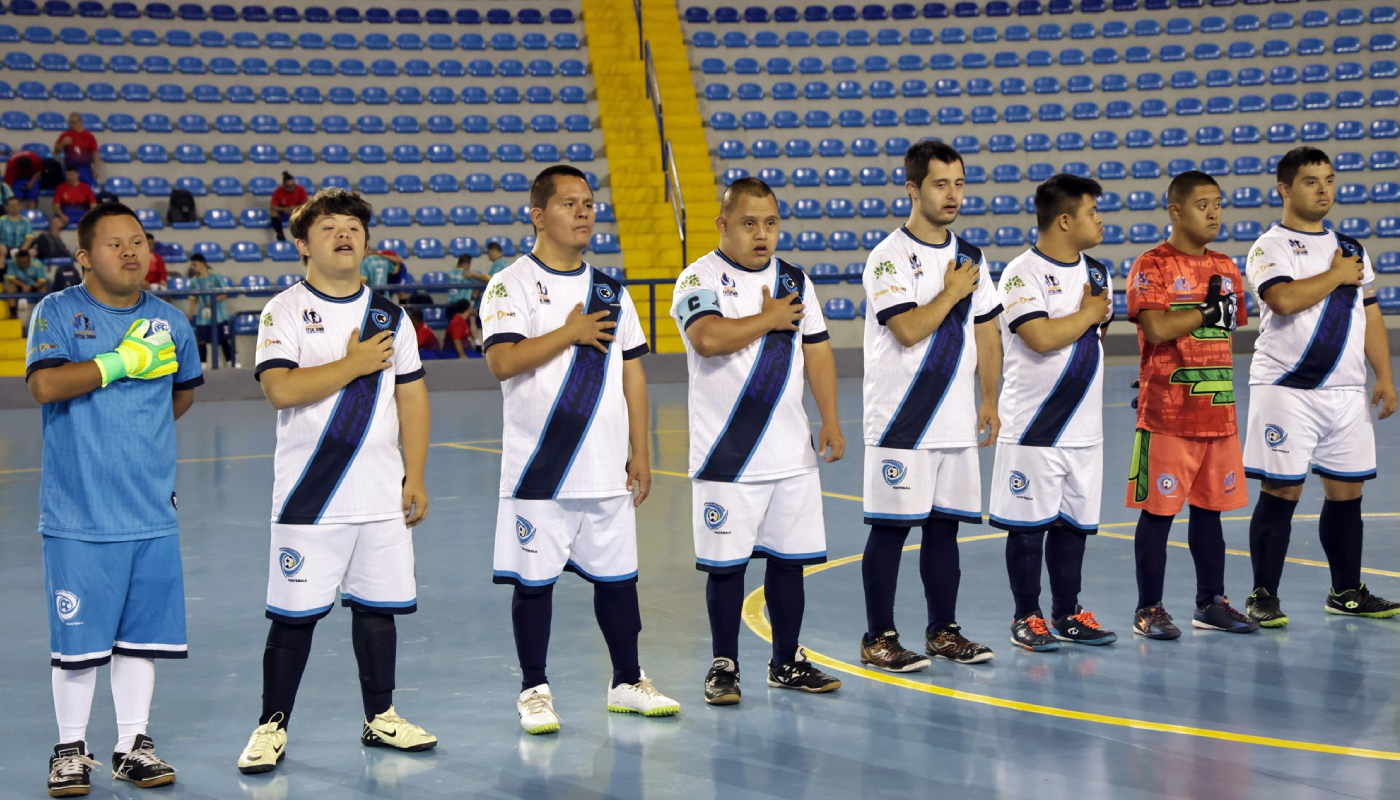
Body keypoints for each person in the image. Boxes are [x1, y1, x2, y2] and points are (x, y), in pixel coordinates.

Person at [237, 188, 437, 774]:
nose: (345, 235)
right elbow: (280, 389)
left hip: (380, 494)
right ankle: (271, 726)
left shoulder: (391, 316)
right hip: (311, 495)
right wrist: (353, 362)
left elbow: (413, 399)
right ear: (302, 244)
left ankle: (382, 717)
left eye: (353, 226)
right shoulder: (284, 310)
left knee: (377, 610)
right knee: (294, 616)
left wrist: (415, 474)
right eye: (329, 228)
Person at [483, 165, 678, 735]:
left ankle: (626, 680)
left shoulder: (612, 291)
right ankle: (534, 690)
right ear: (539, 216)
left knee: (619, 580)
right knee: (534, 583)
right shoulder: (509, 284)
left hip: (603, 469)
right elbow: (502, 361)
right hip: (540, 468)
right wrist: (568, 333)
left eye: (589, 203)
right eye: (570, 204)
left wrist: (641, 451)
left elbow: (633, 375)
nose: (585, 212)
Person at [25, 202, 203, 795]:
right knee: (78, 645)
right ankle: (70, 748)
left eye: (139, 241)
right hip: (79, 513)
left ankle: (132, 744)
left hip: (151, 510)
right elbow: (47, 385)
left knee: (139, 640)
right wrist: (119, 362)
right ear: (84, 257)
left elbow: (181, 397)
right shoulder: (57, 311)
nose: (131, 252)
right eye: (114, 243)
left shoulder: (171, 320)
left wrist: (137, 418)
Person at [670, 177, 845, 705]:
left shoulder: (795, 279)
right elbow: (707, 338)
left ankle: (786, 660)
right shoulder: (696, 277)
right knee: (727, 568)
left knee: (789, 563)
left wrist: (831, 419)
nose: (761, 234)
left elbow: (817, 351)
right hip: (727, 454)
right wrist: (769, 317)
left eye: (770, 223)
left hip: (791, 453)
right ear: (723, 225)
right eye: (749, 223)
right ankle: (724, 665)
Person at [858, 140, 1002, 672]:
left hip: (955, 421)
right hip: (902, 419)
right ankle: (878, 637)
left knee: (946, 528)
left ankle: (943, 630)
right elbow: (910, 328)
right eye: (941, 184)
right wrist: (948, 293)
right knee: (892, 529)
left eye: (959, 183)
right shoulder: (887, 257)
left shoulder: (971, 258)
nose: (953, 195)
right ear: (913, 188)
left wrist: (989, 399)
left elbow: (987, 331)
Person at [1241, 147, 1399, 626]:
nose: (1324, 189)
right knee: (1282, 492)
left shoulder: (1352, 249)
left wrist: (1385, 377)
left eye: (1329, 179)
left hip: (1345, 392)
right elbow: (1284, 300)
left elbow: (1369, 314)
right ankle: (1262, 595)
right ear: (1285, 189)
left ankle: (1346, 591)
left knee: (1348, 493)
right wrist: (1335, 275)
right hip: (1287, 389)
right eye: (1311, 181)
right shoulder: (1268, 247)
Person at [1126, 171, 1258, 640]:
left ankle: (1211, 602)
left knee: (1210, 513)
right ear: (1175, 210)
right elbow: (1157, 328)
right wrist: (1202, 311)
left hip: (1218, 412)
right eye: (1203, 204)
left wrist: (1207, 315)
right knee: (1159, 513)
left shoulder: (1226, 265)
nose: (1214, 212)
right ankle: (1149, 609)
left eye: (1218, 204)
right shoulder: (1152, 264)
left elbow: (1232, 326)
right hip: (1167, 415)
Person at [992, 174, 1117, 652]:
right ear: (1064, 219)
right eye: (1091, 212)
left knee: (1073, 526)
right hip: (1035, 426)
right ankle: (1027, 616)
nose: (1099, 220)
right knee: (1028, 530)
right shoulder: (1020, 274)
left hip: (1085, 427)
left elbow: (1095, 343)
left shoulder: (1099, 273)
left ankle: (1068, 612)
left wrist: (1088, 319)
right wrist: (1086, 314)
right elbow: (1040, 338)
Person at [186, 254, 236, 367]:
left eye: (195, 264)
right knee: (201, 340)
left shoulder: (216, 276)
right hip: (203, 317)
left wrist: (214, 300)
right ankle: (203, 364)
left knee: (223, 340)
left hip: (219, 315)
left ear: (202, 263)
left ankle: (231, 362)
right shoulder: (194, 281)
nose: (193, 267)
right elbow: (193, 299)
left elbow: (226, 293)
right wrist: (190, 313)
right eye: (192, 265)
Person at [54, 113, 100, 188]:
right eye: (71, 122)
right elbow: (56, 151)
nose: (72, 124)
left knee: (86, 190)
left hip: (85, 168)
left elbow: (95, 153)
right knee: (69, 190)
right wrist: (62, 144)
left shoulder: (89, 136)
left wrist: (95, 169)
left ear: (80, 122)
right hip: (69, 168)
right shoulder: (65, 135)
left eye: (75, 122)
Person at [269, 172, 307, 243]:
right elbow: (273, 206)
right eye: (288, 186)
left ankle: (304, 234)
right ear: (284, 186)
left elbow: (306, 204)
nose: (291, 188)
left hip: (296, 212)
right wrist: (284, 209)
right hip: (284, 212)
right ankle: (280, 233)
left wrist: (295, 208)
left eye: (293, 185)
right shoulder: (278, 192)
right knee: (273, 213)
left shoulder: (300, 190)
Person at [1, 195, 36, 268]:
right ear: (7, 207)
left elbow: (29, 238)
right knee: (1, 249)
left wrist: (22, 250)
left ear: (20, 206)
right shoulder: (1, 220)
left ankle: (28, 275)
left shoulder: (26, 221)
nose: (13, 207)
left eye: (15, 205)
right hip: (5, 248)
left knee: (32, 252)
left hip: (21, 247)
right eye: (11, 205)